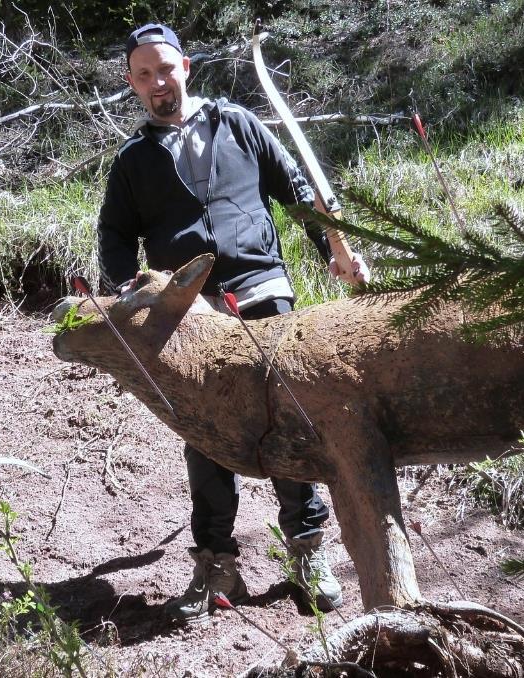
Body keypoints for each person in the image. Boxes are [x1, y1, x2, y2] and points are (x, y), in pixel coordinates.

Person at [97, 24, 370, 623]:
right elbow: (114, 237)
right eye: (143, 75)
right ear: (131, 83)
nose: (156, 83)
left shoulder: (238, 124)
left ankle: (306, 554)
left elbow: (296, 188)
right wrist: (130, 295)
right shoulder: (133, 161)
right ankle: (217, 563)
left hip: (263, 292)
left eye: (164, 69)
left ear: (185, 67)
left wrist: (335, 250)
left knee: (292, 421)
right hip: (190, 313)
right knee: (206, 436)